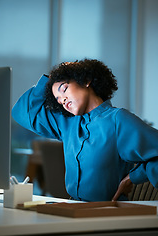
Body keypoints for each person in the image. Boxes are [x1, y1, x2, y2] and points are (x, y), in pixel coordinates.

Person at [12, 59, 158, 202]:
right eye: (58, 100)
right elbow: (21, 112)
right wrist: (49, 81)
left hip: (108, 212)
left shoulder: (117, 120)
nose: (63, 100)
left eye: (64, 89)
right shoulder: (67, 123)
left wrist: (134, 177)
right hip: (73, 207)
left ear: (85, 80)